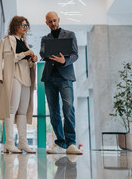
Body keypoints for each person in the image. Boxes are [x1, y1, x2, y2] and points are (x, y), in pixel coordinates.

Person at [40, 11, 83, 155]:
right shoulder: (45, 38)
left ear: (58, 19)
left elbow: (75, 54)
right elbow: (42, 53)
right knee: (54, 112)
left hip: (65, 77)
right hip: (49, 78)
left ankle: (71, 143)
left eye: (54, 20)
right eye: (50, 22)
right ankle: (60, 142)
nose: (53, 23)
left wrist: (65, 61)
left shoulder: (70, 35)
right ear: (46, 23)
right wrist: (47, 54)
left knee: (68, 108)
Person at [0, 16, 37, 153]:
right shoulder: (6, 41)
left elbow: (26, 60)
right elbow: (4, 60)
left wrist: (32, 59)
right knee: (11, 109)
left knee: (23, 111)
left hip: (26, 77)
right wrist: (0, 78)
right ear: (16, 25)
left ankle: (23, 143)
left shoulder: (24, 42)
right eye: (23, 24)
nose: (25, 27)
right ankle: (9, 142)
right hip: (13, 76)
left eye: (26, 25)